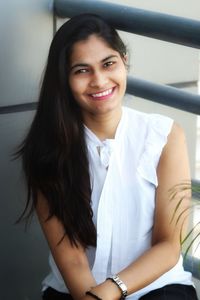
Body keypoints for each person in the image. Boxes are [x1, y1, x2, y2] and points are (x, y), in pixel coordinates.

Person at [18, 13, 198, 300]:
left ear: (124, 61)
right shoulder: (47, 149)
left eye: (108, 64)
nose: (99, 80)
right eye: (82, 70)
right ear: (64, 79)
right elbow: (73, 259)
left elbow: (168, 245)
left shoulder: (165, 136)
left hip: (158, 288)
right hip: (76, 290)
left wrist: (111, 290)